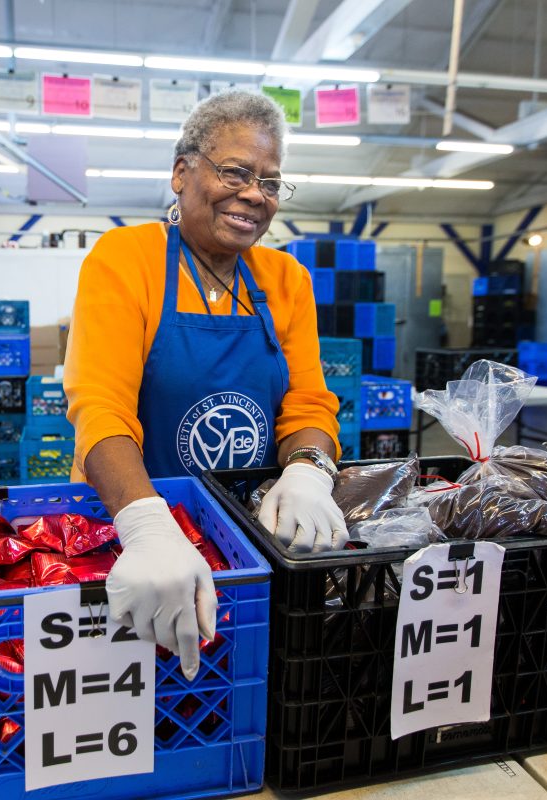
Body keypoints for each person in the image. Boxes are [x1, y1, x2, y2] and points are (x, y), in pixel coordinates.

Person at [64, 90, 347, 679]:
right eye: (235, 172)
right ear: (181, 172)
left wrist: (307, 470)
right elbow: (101, 406)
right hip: (128, 531)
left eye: (270, 183)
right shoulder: (127, 259)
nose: (253, 195)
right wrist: (145, 524)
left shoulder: (286, 279)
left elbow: (308, 403)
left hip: (245, 534)